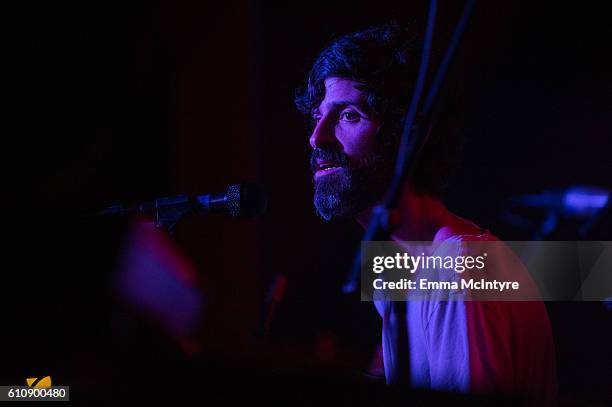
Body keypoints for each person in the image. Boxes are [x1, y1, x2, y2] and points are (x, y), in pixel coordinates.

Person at [295, 24, 557, 404]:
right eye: (316, 117)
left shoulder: (458, 268)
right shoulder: (396, 267)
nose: (317, 137)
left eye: (348, 116)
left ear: (412, 133)